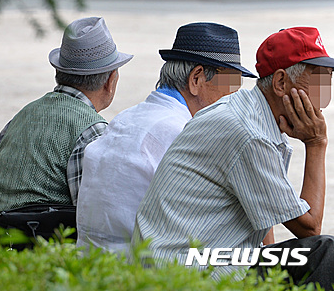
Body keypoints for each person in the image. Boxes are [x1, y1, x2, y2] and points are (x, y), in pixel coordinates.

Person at [133, 27, 334, 289]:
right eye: (319, 81)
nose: (325, 98)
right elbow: (309, 228)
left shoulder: (248, 113)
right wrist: (316, 143)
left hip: (199, 255)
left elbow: (267, 211)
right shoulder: (249, 133)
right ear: (281, 83)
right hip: (188, 267)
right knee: (324, 254)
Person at [76, 22, 257, 253]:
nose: (232, 100)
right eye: (230, 88)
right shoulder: (187, 132)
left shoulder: (125, 118)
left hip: (91, 264)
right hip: (143, 271)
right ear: (197, 79)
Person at [0, 16, 133, 238]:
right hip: (49, 257)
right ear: (111, 81)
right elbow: (95, 219)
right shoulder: (92, 130)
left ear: (59, 72)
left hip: (1, 254)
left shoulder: (20, 117)